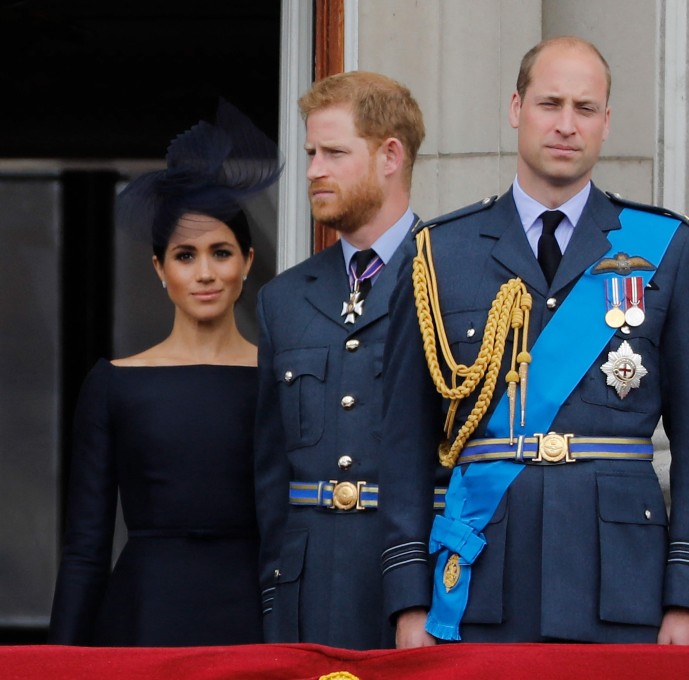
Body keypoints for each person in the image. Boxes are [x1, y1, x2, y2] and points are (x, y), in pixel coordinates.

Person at [379, 36, 689, 646]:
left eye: (585, 109)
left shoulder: (667, 248)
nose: (567, 125)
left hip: (622, 585)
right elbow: (404, 444)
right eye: (550, 104)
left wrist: (687, 598)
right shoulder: (440, 253)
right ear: (516, 108)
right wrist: (410, 602)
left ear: (607, 122)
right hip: (479, 584)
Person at [48, 101, 281, 646]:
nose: (205, 273)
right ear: (160, 268)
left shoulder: (280, 378)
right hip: (142, 622)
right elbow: (85, 546)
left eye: (220, 252)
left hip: (257, 622)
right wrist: (57, 662)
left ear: (247, 262)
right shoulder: (114, 384)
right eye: (185, 255)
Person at [254, 71, 438, 649]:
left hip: (420, 588)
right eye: (311, 152)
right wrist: (274, 597)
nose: (313, 170)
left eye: (333, 152)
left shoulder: (454, 276)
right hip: (306, 594)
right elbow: (270, 473)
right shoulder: (283, 298)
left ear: (390, 155)